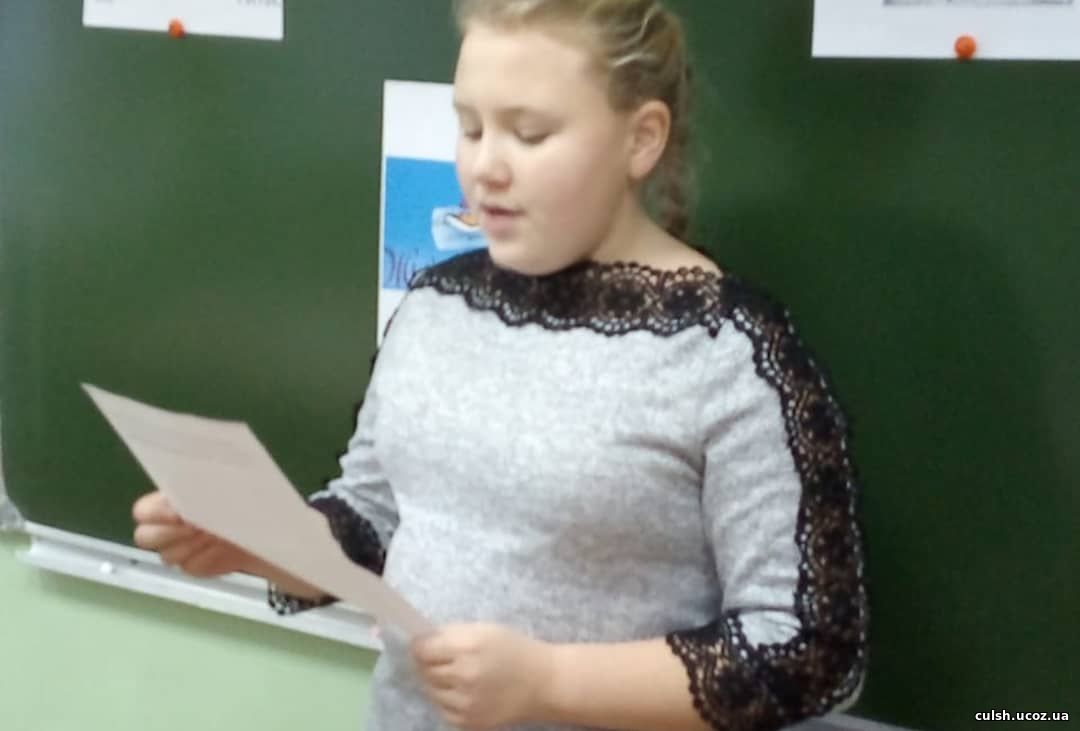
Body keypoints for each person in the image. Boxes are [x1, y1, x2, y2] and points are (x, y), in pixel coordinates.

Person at [132, 1, 869, 729]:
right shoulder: (436, 303)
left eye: (529, 133)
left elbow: (807, 647)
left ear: (641, 138)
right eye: (470, 127)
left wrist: (551, 683)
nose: (484, 167)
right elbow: (373, 520)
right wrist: (260, 543)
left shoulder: (727, 351)